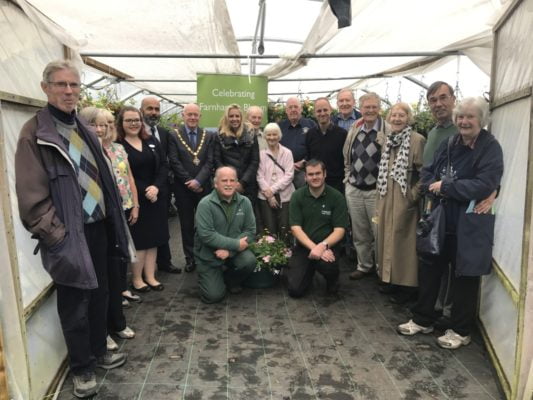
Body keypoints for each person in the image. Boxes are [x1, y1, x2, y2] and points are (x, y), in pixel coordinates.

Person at [15, 60, 129, 398]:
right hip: (69, 236)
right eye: (61, 85)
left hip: (98, 228)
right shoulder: (36, 133)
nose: (68, 91)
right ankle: (81, 369)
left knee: (99, 294)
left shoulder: (81, 126)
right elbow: (31, 199)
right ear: (45, 87)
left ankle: (98, 351)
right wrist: (57, 236)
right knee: (74, 303)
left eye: (74, 85)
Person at [397, 97, 504, 350]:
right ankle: (423, 319)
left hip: (470, 220)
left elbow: (485, 184)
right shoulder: (450, 143)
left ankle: (460, 329)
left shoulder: (490, 147)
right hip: (442, 217)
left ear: (482, 120)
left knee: (464, 274)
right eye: (461, 117)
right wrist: (431, 186)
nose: (464, 121)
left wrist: (446, 186)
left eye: (470, 117)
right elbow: (428, 172)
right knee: (431, 266)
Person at [79, 107, 138, 351]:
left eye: (105, 124)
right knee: (100, 280)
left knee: (116, 274)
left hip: (118, 216)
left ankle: (118, 322)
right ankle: (102, 332)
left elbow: (129, 178)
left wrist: (134, 204)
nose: (101, 129)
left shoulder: (116, 149)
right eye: (95, 124)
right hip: (96, 221)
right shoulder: (83, 153)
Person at [375, 103, 426, 304]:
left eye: (401, 115)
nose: (397, 119)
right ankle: (390, 280)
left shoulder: (417, 140)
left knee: (405, 242)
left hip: (404, 198)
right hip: (387, 195)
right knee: (387, 238)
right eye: (394, 115)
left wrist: (412, 195)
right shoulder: (388, 140)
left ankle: (407, 286)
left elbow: (425, 174)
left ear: (408, 118)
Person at [117, 106, 169, 292]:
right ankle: (137, 279)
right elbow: (123, 176)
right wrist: (144, 191)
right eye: (129, 120)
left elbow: (163, 165)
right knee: (139, 241)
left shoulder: (151, 140)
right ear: (121, 123)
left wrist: (156, 187)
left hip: (155, 198)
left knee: (154, 239)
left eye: (136, 120)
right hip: (135, 201)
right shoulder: (118, 145)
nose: (133, 124)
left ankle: (150, 277)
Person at [343, 92, 389, 280]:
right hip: (355, 190)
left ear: (379, 108)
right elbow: (347, 156)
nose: (370, 110)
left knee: (378, 232)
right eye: (366, 107)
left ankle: (381, 270)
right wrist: (348, 179)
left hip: (375, 192)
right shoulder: (355, 129)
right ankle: (364, 265)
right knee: (360, 231)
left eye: (373, 107)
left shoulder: (387, 130)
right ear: (360, 109)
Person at [194, 166, 257, 303]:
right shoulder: (205, 204)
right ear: (215, 183)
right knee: (214, 296)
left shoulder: (245, 202)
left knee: (249, 261)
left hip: (232, 252)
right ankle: (208, 277)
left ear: (237, 183)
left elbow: (250, 231)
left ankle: (230, 279)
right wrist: (235, 244)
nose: (228, 184)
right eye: (224, 181)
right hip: (209, 255)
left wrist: (230, 251)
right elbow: (206, 235)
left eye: (232, 180)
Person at [287, 159, 348, 297]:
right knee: (295, 291)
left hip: (328, 247)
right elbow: (295, 228)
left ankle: (332, 281)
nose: (314, 177)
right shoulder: (297, 196)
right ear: (305, 177)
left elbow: (340, 230)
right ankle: (309, 273)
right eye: (311, 174)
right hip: (305, 246)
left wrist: (322, 246)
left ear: (325, 174)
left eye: (318, 173)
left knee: (328, 266)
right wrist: (314, 247)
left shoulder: (336, 197)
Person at [168, 103, 215, 273]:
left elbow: (210, 161)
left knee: (205, 223)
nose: (193, 117)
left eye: (196, 114)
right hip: (183, 189)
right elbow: (174, 161)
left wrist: (199, 181)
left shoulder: (208, 135)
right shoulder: (174, 136)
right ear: (183, 115)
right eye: (190, 114)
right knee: (186, 224)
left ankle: (205, 255)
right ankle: (190, 258)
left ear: (200, 116)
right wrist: (189, 181)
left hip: (204, 188)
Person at [140, 96, 182, 274]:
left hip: (162, 187)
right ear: (141, 110)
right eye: (150, 109)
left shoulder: (164, 133)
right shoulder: (135, 132)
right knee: (143, 230)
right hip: (142, 189)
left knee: (162, 226)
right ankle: (142, 268)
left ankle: (165, 262)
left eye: (157, 109)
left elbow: (167, 162)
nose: (154, 113)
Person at [214, 104, 260, 206]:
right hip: (227, 185)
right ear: (227, 117)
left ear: (241, 117)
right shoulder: (219, 135)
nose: (234, 119)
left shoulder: (251, 133)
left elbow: (255, 161)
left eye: (237, 116)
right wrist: (230, 181)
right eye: (231, 116)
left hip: (248, 185)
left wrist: (242, 182)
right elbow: (217, 160)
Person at [256, 123, 295, 241]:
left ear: (279, 136)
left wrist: (271, 190)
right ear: (265, 137)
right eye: (268, 135)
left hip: (285, 196)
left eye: (274, 134)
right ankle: (270, 256)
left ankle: (286, 254)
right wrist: (269, 196)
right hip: (265, 197)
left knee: (285, 228)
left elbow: (289, 175)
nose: (272, 137)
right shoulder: (261, 154)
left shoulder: (287, 152)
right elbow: (259, 176)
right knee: (269, 229)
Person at [306, 97, 347, 194]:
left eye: (325, 110)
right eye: (319, 111)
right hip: (316, 184)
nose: (322, 113)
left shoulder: (342, 134)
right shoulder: (310, 134)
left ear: (331, 110)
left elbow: (346, 160)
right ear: (314, 114)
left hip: (336, 185)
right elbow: (309, 158)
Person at [279, 97, 317, 188]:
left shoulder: (311, 124)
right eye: (290, 107)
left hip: (305, 170)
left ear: (301, 109)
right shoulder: (280, 127)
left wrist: (304, 162)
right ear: (286, 110)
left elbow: (316, 147)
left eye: (296, 107)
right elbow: (275, 149)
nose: (293, 110)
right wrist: (288, 165)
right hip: (283, 171)